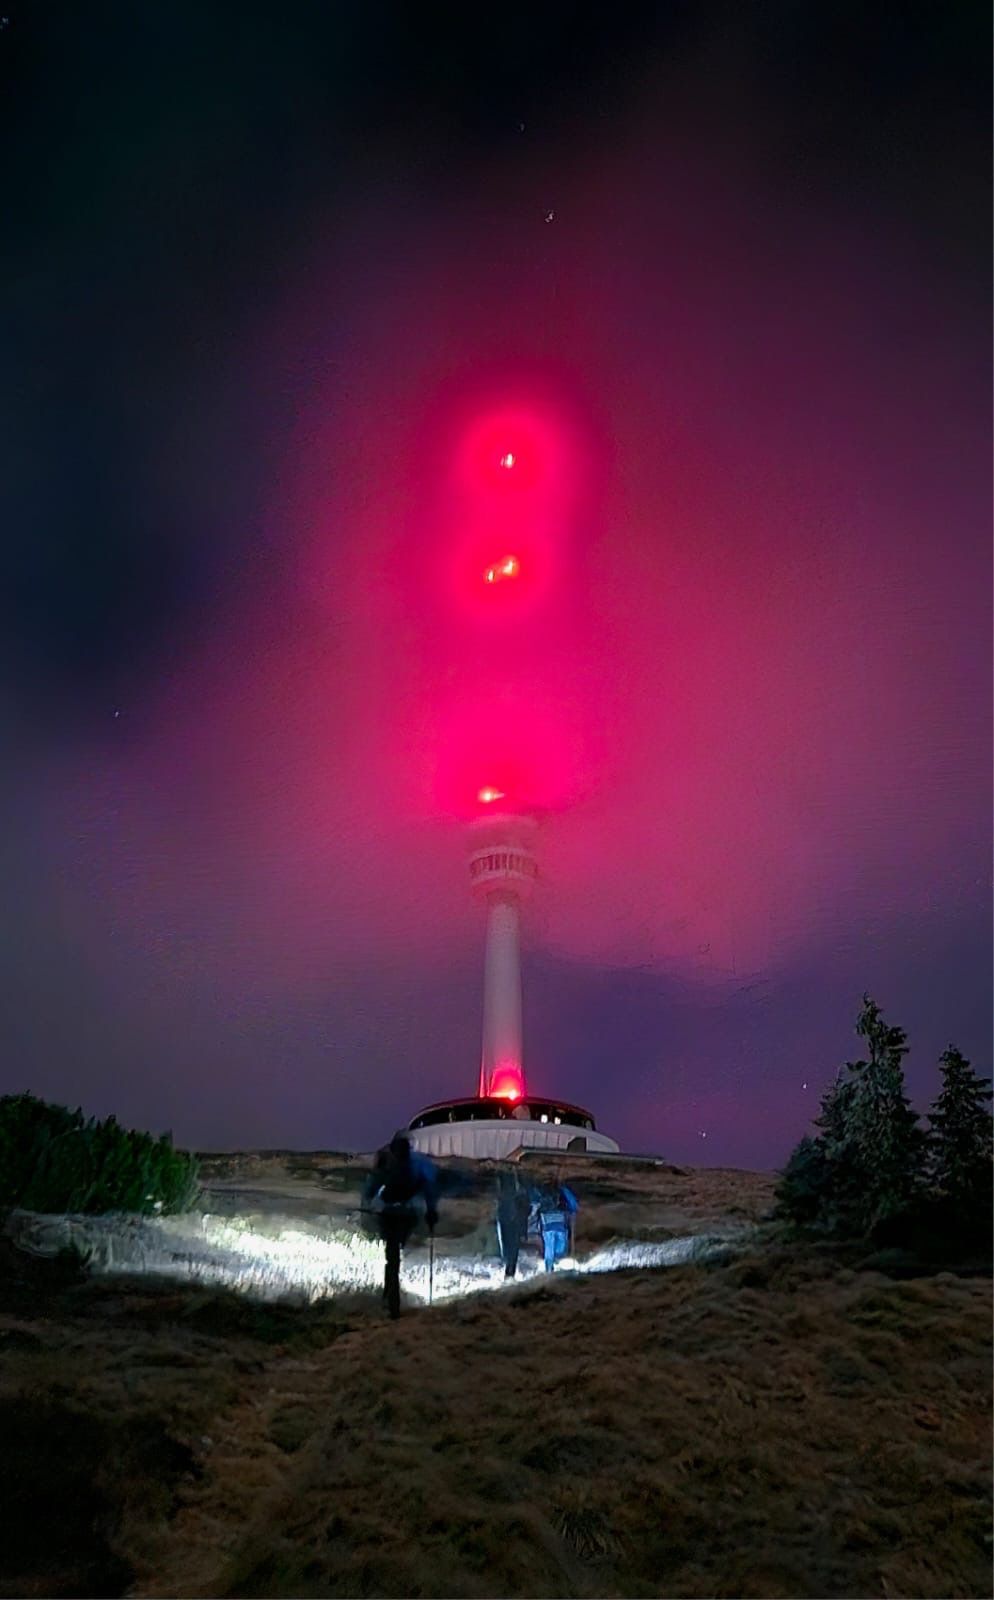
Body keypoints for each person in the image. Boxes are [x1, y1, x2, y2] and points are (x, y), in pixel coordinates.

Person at [364, 1134, 439, 1318]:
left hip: (397, 1214)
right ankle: (391, 1300)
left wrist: (431, 1211)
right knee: (393, 1257)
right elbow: (428, 1188)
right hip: (397, 1214)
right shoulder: (407, 1164)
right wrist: (430, 1211)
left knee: (393, 1257)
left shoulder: (406, 1164)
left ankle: (390, 1298)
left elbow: (372, 1187)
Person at [535, 1180, 579, 1272]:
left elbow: (534, 1201)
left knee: (550, 1248)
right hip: (560, 1225)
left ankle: (549, 1268)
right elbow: (574, 1204)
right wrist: (573, 1211)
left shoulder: (541, 1193)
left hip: (548, 1224)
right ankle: (554, 1264)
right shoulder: (562, 1192)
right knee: (559, 1249)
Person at [495, 1170, 531, 1278]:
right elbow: (525, 1212)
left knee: (509, 1248)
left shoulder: (515, 1198)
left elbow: (524, 1212)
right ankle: (509, 1272)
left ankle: (509, 1272)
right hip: (511, 1219)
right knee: (511, 1249)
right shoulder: (520, 1198)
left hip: (508, 1217)